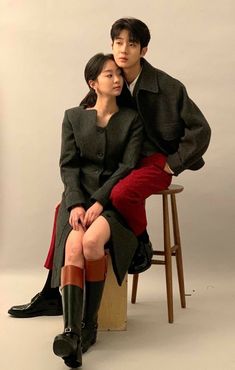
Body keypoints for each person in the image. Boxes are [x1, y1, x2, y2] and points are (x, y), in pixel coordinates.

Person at [8, 17, 211, 319]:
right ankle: (51, 293)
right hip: (120, 164)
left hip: (152, 162)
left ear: (144, 50)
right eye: (118, 42)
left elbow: (201, 130)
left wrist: (174, 162)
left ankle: (139, 240)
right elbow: (88, 119)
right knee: (62, 207)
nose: (124, 50)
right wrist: (75, 196)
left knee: (122, 192)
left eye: (132, 44)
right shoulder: (113, 78)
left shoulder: (167, 87)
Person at [51, 52, 143, 368]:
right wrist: (75, 203)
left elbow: (128, 167)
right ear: (93, 83)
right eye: (109, 75)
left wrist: (100, 201)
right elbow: (68, 167)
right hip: (78, 202)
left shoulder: (132, 120)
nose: (117, 79)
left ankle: (86, 328)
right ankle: (73, 333)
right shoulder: (73, 117)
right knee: (74, 246)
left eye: (119, 74)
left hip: (113, 203)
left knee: (91, 243)